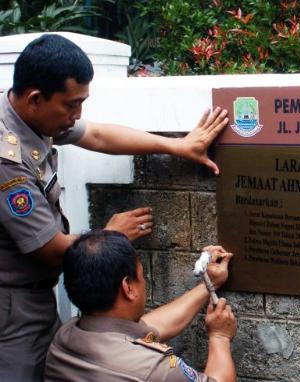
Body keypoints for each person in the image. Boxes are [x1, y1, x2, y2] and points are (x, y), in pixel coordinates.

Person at [0, 34, 229, 381]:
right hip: (13, 309)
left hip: (37, 298)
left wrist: (177, 146)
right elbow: (48, 250)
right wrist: (108, 237)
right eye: (71, 105)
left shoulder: (33, 116)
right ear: (35, 98)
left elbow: (97, 135)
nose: (77, 115)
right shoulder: (6, 158)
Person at [45, 230, 237, 382]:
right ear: (128, 287)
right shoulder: (152, 369)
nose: (144, 282)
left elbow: (149, 326)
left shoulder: (64, 337)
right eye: (141, 275)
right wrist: (219, 336)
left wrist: (208, 284)